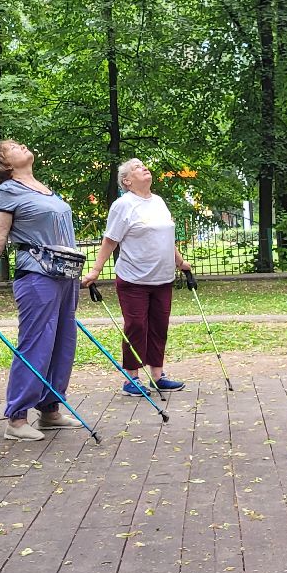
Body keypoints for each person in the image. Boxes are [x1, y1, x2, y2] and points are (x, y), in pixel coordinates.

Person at [0, 139, 82, 440]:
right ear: (4, 164)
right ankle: (16, 417)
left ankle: (50, 409)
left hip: (66, 273)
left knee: (63, 342)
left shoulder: (45, 188)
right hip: (37, 275)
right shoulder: (7, 191)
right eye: (13, 146)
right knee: (36, 342)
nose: (22, 145)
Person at [82, 158, 193, 396]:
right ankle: (131, 378)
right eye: (136, 168)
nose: (144, 168)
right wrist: (95, 271)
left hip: (163, 278)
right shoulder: (123, 205)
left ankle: (157, 376)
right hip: (134, 279)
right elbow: (110, 240)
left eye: (144, 166)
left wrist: (180, 262)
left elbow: (166, 237)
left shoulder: (159, 202)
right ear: (127, 181)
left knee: (159, 327)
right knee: (136, 326)